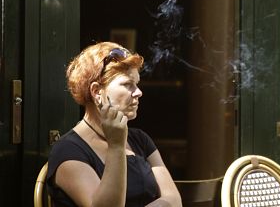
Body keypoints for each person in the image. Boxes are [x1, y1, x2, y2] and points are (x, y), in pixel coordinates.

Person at [47, 42, 182, 207]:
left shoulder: (139, 139)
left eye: (137, 84)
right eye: (127, 84)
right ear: (97, 92)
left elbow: (173, 200)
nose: (139, 92)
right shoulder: (68, 150)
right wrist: (116, 146)